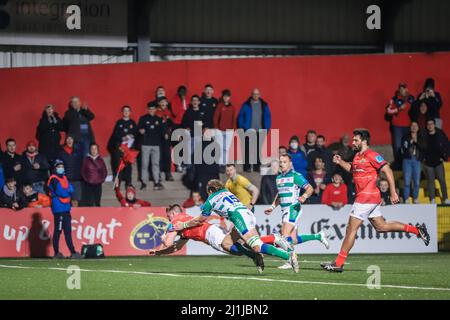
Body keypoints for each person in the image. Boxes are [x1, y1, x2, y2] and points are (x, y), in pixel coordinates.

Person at [321, 129, 430, 273]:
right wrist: (340, 161)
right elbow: (352, 170)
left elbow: (388, 171)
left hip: (366, 197)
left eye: (356, 140)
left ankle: (339, 263)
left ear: (364, 141)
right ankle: (417, 230)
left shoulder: (372, 155)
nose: (353, 142)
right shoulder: (357, 156)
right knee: (381, 227)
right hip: (368, 197)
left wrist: (392, 192)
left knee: (350, 229)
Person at [202, 179, 299, 272]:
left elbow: (201, 217)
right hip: (245, 214)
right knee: (226, 244)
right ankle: (255, 256)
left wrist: (186, 224)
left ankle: (287, 254)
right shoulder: (226, 191)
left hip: (240, 217)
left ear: (210, 190)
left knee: (257, 246)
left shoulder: (211, 198)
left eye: (208, 191)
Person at [150, 204, 265, 273]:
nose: (168, 219)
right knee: (235, 244)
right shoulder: (185, 225)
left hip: (210, 235)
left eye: (169, 216)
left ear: (174, 213)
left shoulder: (176, 220)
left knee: (233, 249)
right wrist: (160, 252)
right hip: (214, 229)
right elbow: (176, 247)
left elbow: (168, 242)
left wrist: (163, 238)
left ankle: (255, 252)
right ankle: (255, 249)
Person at [263, 154, 329, 269]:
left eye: (284, 162)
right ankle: (318, 236)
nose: (282, 164)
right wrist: (273, 207)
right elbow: (280, 194)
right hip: (284, 210)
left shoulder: (295, 176)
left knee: (283, 237)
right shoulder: (279, 178)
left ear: (290, 164)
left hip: (293, 208)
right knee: (292, 239)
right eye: (281, 162)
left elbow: (310, 188)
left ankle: (290, 259)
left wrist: (303, 196)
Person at [47, 159, 83, 259]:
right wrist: (67, 190)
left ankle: (73, 252)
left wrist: (66, 190)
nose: (61, 168)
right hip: (59, 208)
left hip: (66, 208)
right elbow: (61, 192)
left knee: (67, 231)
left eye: (62, 166)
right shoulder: (53, 179)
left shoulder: (64, 177)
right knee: (58, 231)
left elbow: (71, 188)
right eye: (58, 167)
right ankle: (56, 252)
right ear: (55, 168)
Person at [237, 88, 271, 172]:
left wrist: (267, 128)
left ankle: (256, 167)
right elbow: (240, 116)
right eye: (254, 94)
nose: (256, 95)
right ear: (251, 95)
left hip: (260, 130)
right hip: (249, 130)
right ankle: (247, 167)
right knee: (247, 149)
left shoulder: (264, 105)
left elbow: (268, 117)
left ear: (259, 95)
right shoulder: (246, 104)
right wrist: (243, 127)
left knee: (258, 149)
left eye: (257, 94)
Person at [385, 83, 415, 168]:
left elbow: (413, 107)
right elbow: (388, 111)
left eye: (404, 88)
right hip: (397, 126)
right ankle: (398, 164)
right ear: (399, 90)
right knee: (397, 145)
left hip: (408, 126)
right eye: (401, 89)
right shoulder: (393, 99)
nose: (403, 90)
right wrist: (399, 109)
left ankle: (408, 162)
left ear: (407, 89)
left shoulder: (411, 98)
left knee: (408, 144)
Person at [107, 105, 138, 187]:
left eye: (128, 111)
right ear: (122, 112)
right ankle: (118, 181)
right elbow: (115, 135)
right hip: (120, 148)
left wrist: (132, 136)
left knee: (128, 165)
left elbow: (136, 133)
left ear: (130, 112)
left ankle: (128, 182)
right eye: (124, 111)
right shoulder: (119, 122)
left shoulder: (133, 123)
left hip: (129, 148)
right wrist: (122, 137)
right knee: (119, 165)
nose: (126, 112)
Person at [423, 119, 450, 204]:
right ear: (427, 126)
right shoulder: (424, 135)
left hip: (438, 162)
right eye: (428, 124)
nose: (430, 126)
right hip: (428, 163)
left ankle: (445, 198)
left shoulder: (440, 134)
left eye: (431, 124)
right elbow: (421, 148)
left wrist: (444, 157)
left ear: (434, 125)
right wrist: (423, 159)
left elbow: (447, 145)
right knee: (431, 182)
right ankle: (432, 199)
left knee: (442, 180)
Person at [138, 104, 164, 191]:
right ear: (147, 109)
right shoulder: (143, 118)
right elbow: (139, 129)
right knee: (145, 164)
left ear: (155, 109)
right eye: (150, 109)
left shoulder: (158, 119)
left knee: (155, 164)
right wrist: (141, 131)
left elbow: (162, 131)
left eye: (153, 109)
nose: (152, 110)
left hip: (156, 145)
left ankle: (156, 181)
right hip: (146, 144)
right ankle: (144, 182)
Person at [400, 121, 426, 204]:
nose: (414, 127)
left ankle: (415, 198)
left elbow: (423, 148)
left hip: (417, 161)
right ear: (410, 127)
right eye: (412, 126)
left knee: (417, 182)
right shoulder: (405, 136)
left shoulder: (421, 137)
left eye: (416, 126)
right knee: (407, 182)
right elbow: (403, 148)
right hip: (407, 160)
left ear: (418, 128)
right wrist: (410, 143)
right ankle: (406, 199)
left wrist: (416, 142)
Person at [57, 135, 83, 207]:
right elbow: (57, 165)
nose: (69, 140)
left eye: (71, 139)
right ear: (65, 140)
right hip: (65, 180)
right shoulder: (61, 152)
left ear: (73, 140)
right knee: (65, 200)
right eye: (68, 139)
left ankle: (74, 217)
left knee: (75, 200)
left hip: (76, 180)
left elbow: (82, 164)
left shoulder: (78, 152)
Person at [213, 89, 236, 168]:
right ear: (222, 97)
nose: (226, 98)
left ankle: (224, 164)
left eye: (228, 96)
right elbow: (215, 117)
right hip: (219, 130)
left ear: (229, 97)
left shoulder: (232, 107)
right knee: (219, 147)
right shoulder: (219, 106)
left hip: (229, 131)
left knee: (226, 148)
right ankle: (219, 164)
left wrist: (233, 129)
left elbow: (233, 118)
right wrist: (216, 127)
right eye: (225, 96)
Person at [156, 97, 175, 181]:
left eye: (165, 102)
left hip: (167, 138)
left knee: (167, 155)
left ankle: (168, 173)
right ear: (159, 103)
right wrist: (163, 133)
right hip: (158, 138)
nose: (164, 104)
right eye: (162, 102)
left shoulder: (168, 113)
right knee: (159, 156)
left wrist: (168, 133)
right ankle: (158, 174)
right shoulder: (156, 113)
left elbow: (171, 124)